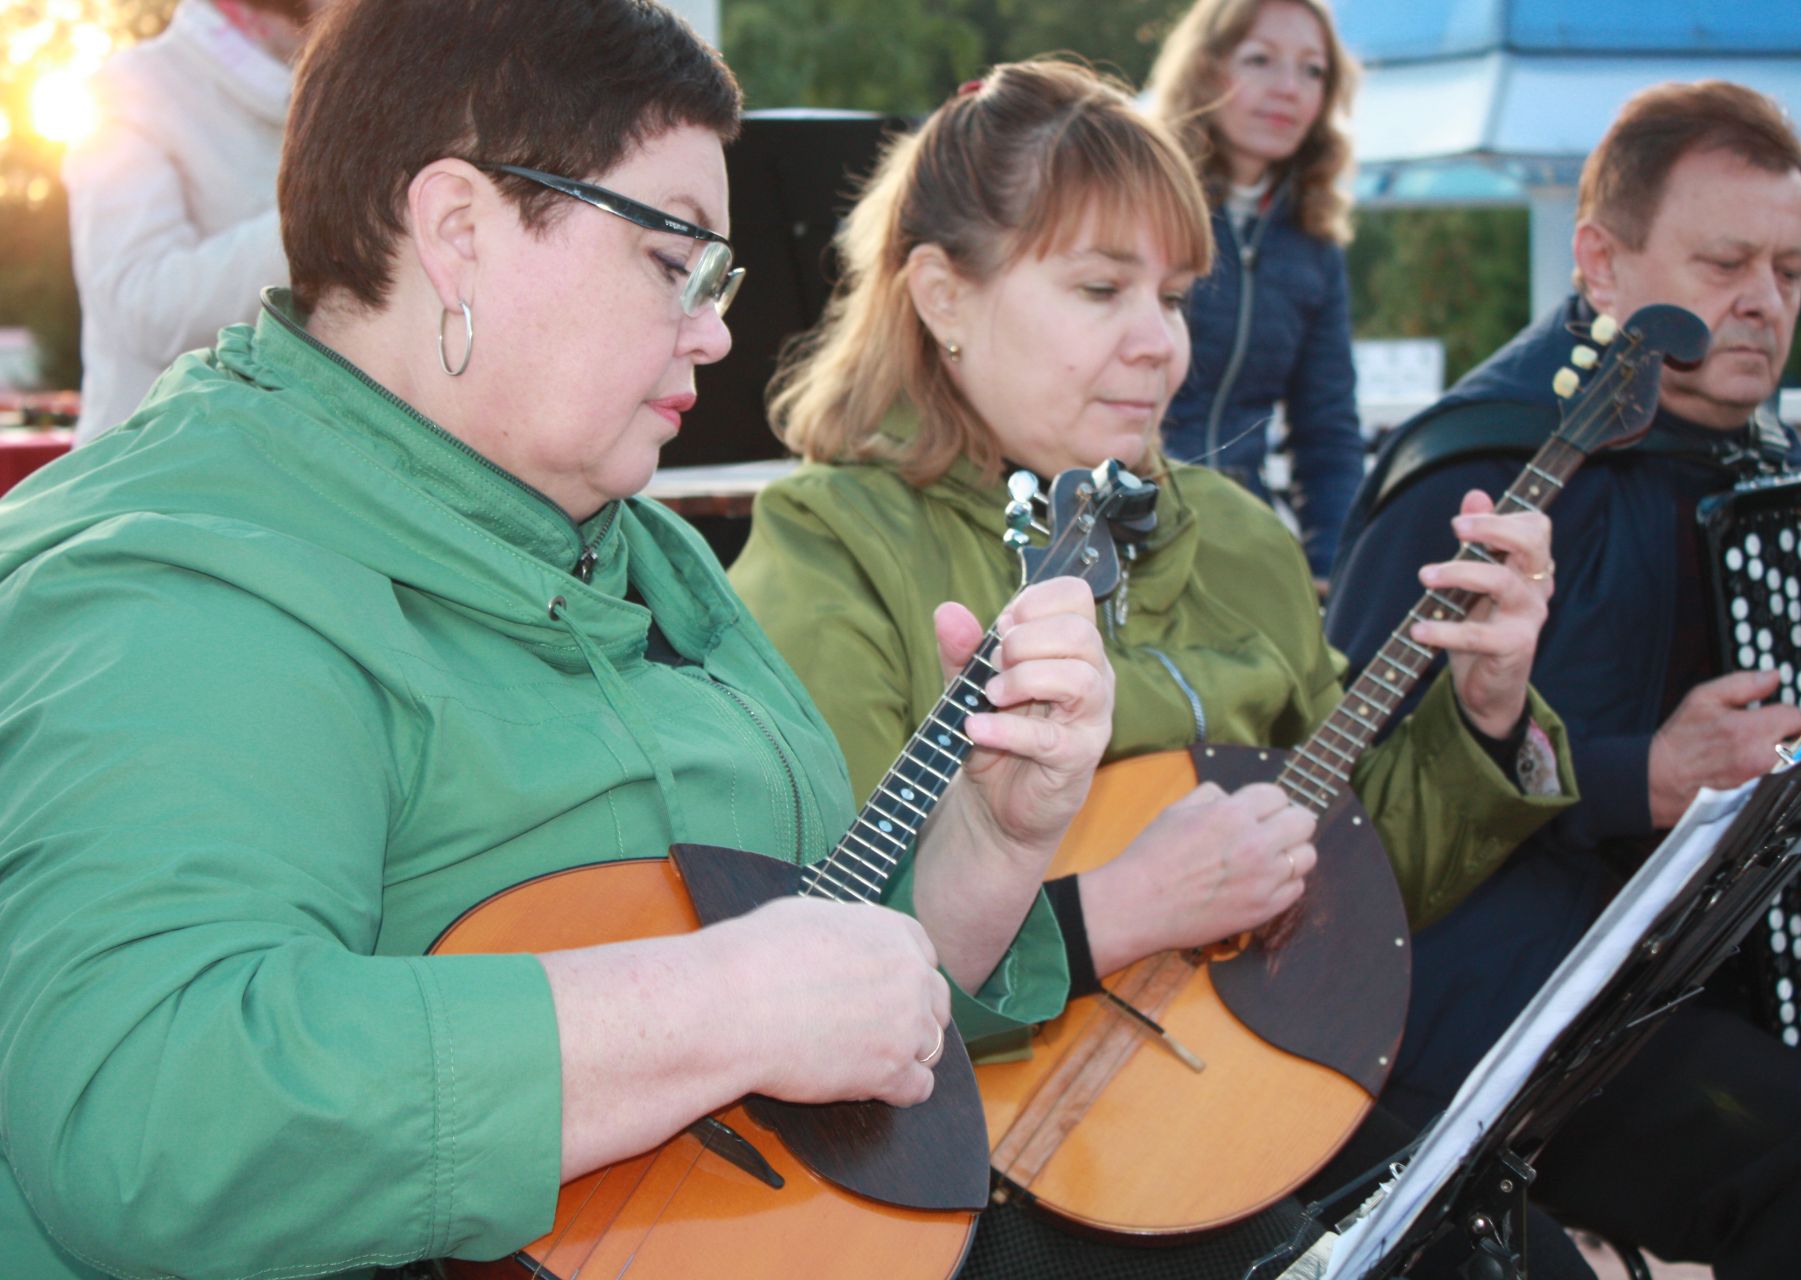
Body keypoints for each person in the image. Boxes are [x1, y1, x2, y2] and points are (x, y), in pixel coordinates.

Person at [0, 5, 1117, 1279]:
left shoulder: (639, 540)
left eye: (720, 279)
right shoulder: (178, 580)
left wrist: (991, 838)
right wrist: (716, 1011)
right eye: (672, 259)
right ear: (460, 231)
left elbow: (827, 988)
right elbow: (153, 1116)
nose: (717, 331)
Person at [729, 59, 1594, 1279]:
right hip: (993, 1135)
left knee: (1523, 1259)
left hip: (1250, 1086)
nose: (1161, 347)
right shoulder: (835, 545)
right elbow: (828, 937)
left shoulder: (1237, 535)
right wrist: (1124, 903)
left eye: (1177, 297)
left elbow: (1357, 880)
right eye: (1099, 288)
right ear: (942, 295)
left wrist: (1487, 711)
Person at [1327, 80, 1801, 1276]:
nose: (1762, 302)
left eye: (1792, 270)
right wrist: (1633, 778)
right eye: (1724, 262)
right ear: (1599, 262)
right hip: (1471, 1001)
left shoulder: (1761, 461)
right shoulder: (1487, 459)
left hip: (1662, 977)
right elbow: (1344, 795)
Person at [1145, 0, 1366, 581]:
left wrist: (1332, 573)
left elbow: (1328, 432)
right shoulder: (1143, 208)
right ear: (1205, 69)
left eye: (1312, 70)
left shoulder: (1316, 243)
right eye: (1261, 59)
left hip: (1243, 543)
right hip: (1129, 527)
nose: (1289, 88)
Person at [63, 0, 329, 446]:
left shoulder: (348, 94)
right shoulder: (130, 91)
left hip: (295, 475)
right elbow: (147, 305)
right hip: (151, 482)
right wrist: (330, 216)